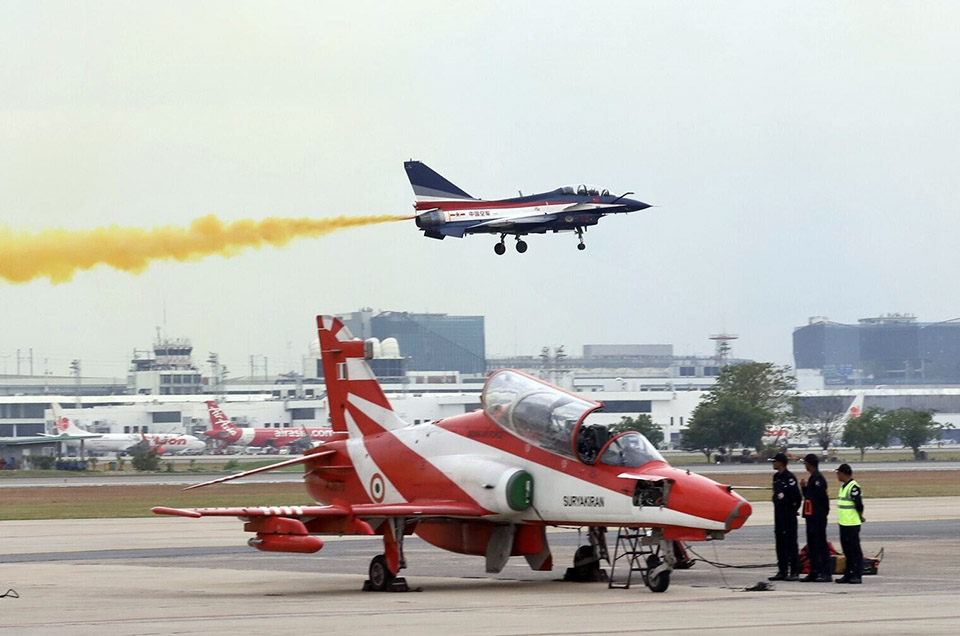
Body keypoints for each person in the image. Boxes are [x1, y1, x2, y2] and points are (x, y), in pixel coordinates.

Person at [768, 452, 802, 581]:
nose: (773, 464)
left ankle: (794, 571)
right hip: (779, 514)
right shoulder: (776, 477)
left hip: (788, 514)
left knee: (791, 543)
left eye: (774, 461)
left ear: (781, 463)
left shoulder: (790, 478)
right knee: (780, 542)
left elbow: (797, 497)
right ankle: (782, 570)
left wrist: (793, 510)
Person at [800, 453, 831, 582]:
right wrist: (804, 488)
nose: (805, 465)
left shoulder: (819, 479)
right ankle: (814, 571)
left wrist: (822, 515)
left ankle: (826, 572)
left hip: (818, 517)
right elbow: (809, 497)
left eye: (805, 463)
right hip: (810, 516)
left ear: (809, 463)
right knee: (812, 544)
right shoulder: (812, 478)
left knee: (821, 544)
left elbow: (823, 500)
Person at [834, 463, 865, 584]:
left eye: (838, 473)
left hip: (852, 523)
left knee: (854, 550)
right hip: (844, 523)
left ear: (843, 473)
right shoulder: (843, 487)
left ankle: (857, 574)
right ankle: (848, 573)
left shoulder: (853, 487)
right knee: (847, 550)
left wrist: (860, 516)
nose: (837, 475)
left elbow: (859, 505)